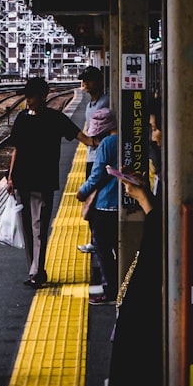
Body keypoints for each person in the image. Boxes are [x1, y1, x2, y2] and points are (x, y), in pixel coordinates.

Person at [104, 108, 165, 386]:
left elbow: (164, 225)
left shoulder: (178, 170)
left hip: (155, 278)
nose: (153, 136)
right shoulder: (170, 166)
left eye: (157, 129)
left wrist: (142, 198)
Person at [6, 76, 94, 288]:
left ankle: (37, 271)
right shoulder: (21, 119)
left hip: (43, 183)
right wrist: (10, 178)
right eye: (27, 96)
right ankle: (34, 269)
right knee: (27, 228)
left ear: (43, 96)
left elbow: (82, 137)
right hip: (22, 182)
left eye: (32, 96)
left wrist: (104, 142)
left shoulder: (55, 118)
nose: (29, 100)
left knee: (39, 228)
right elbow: (15, 149)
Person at [75, 107, 119, 305]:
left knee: (103, 250)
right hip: (125, 203)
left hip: (106, 205)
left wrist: (82, 191)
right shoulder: (126, 139)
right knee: (120, 248)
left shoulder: (107, 144)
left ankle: (110, 290)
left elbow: (97, 174)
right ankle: (121, 287)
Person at [78, 66, 109, 254]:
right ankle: (95, 240)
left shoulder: (106, 102)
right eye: (84, 80)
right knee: (91, 200)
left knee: (98, 199)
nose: (86, 83)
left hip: (102, 157)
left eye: (90, 80)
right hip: (91, 157)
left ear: (99, 81)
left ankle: (98, 241)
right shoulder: (90, 104)